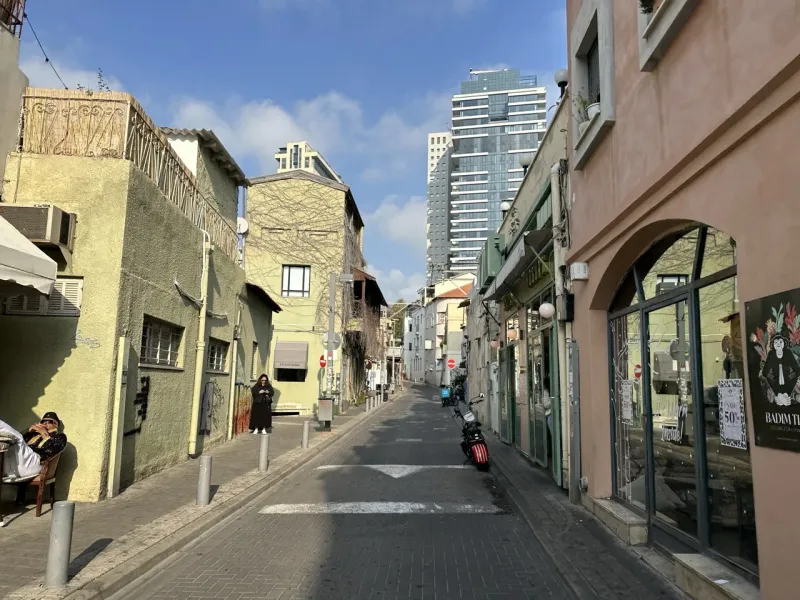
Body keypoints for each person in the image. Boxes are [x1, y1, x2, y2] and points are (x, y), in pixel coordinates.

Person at [0, 412, 67, 481]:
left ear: (56, 424)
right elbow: (17, 445)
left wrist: (44, 433)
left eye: (49, 421)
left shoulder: (60, 436)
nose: (44, 423)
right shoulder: (33, 435)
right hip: (13, 468)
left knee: (17, 437)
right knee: (8, 440)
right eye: (43, 421)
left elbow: (51, 451)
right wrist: (28, 432)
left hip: (33, 465)